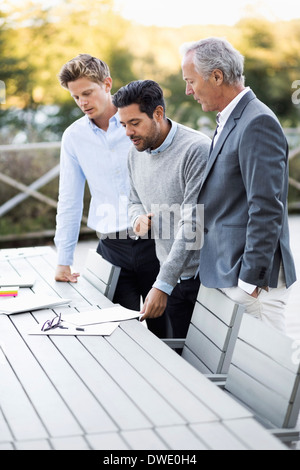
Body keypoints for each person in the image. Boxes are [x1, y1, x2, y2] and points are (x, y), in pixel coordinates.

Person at [181, 37, 297, 333]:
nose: (188, 90)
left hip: (251, 285)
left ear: (217, 76)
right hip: (226, 273)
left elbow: (267, 207)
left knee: (272, 376)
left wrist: (250, 281)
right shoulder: (230, 119)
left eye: (191, 81)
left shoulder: (257, 122)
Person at [54, 54, 166, 337]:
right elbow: (69, 198)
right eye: (76, 97)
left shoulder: (141, 120)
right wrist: (64, 259)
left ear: (107, 84)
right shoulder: (73, 137)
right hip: (111, 248)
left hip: (155, 241)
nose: (82, 103)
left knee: (166, 334)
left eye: (87, 93)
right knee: (119, 336)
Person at [113, 80, 210, 338]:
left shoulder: (196, 149)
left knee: (205, 364)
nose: (128, 133)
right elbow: (133, 200)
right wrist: (137, 219)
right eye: (123, 125)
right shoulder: (135, 153)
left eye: (134, 123)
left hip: (204, 279)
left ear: (157, 113)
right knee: (180, 363)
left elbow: (194, 224)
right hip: (170, 275)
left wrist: (162, 284)